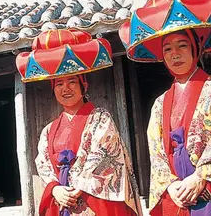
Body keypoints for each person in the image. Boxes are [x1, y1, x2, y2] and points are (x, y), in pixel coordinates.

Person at [119, 0, 211, 215]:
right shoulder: (160, 103)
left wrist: (200, 177)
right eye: (167, 49)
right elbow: (157, 152)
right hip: (177, 192)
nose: (175, 54)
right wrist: (171, 184)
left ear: (196, 48)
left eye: (182, 45)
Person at [15, 29, 142, 216]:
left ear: (84, 85)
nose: (65, 88)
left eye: (72, 82)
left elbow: (102, 155)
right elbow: (43, 164)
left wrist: (77, 188)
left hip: (92, 202)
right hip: (61, 200)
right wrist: (55, 189)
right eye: (59, 84)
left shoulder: (100, 118)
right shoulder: (49, 130)